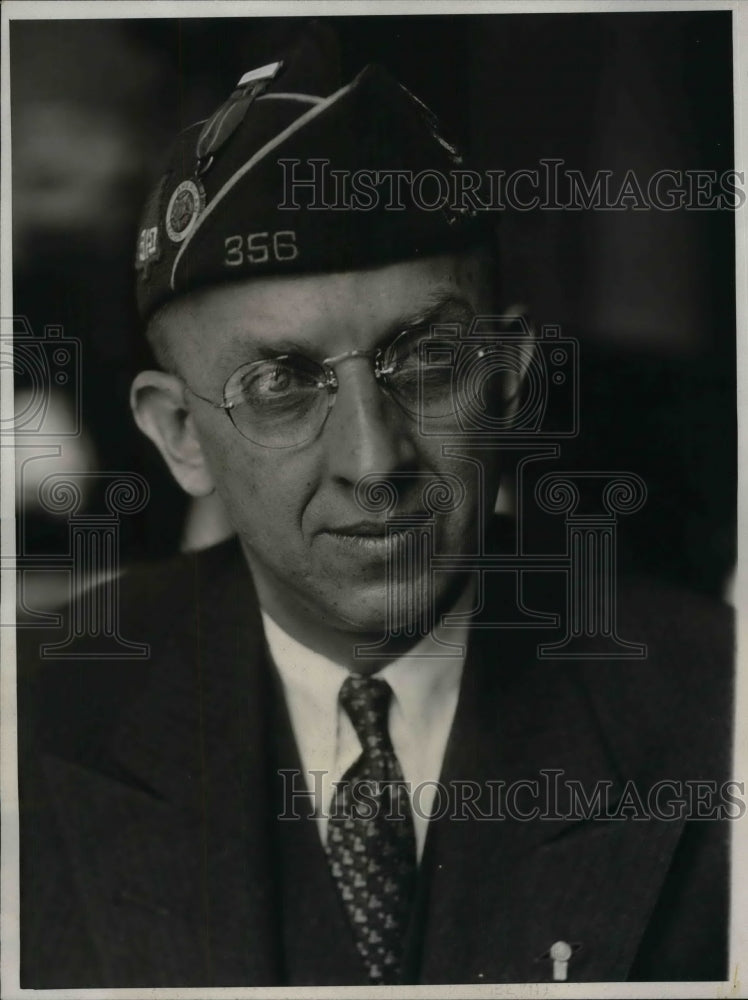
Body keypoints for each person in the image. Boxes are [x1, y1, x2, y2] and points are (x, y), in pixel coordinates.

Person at [17, 23, 733, 988]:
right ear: (180, 435)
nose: (373, 458)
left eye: (428, 361)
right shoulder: (33, 715)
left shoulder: (714, 705)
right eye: (281, 383)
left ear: (512, 381)